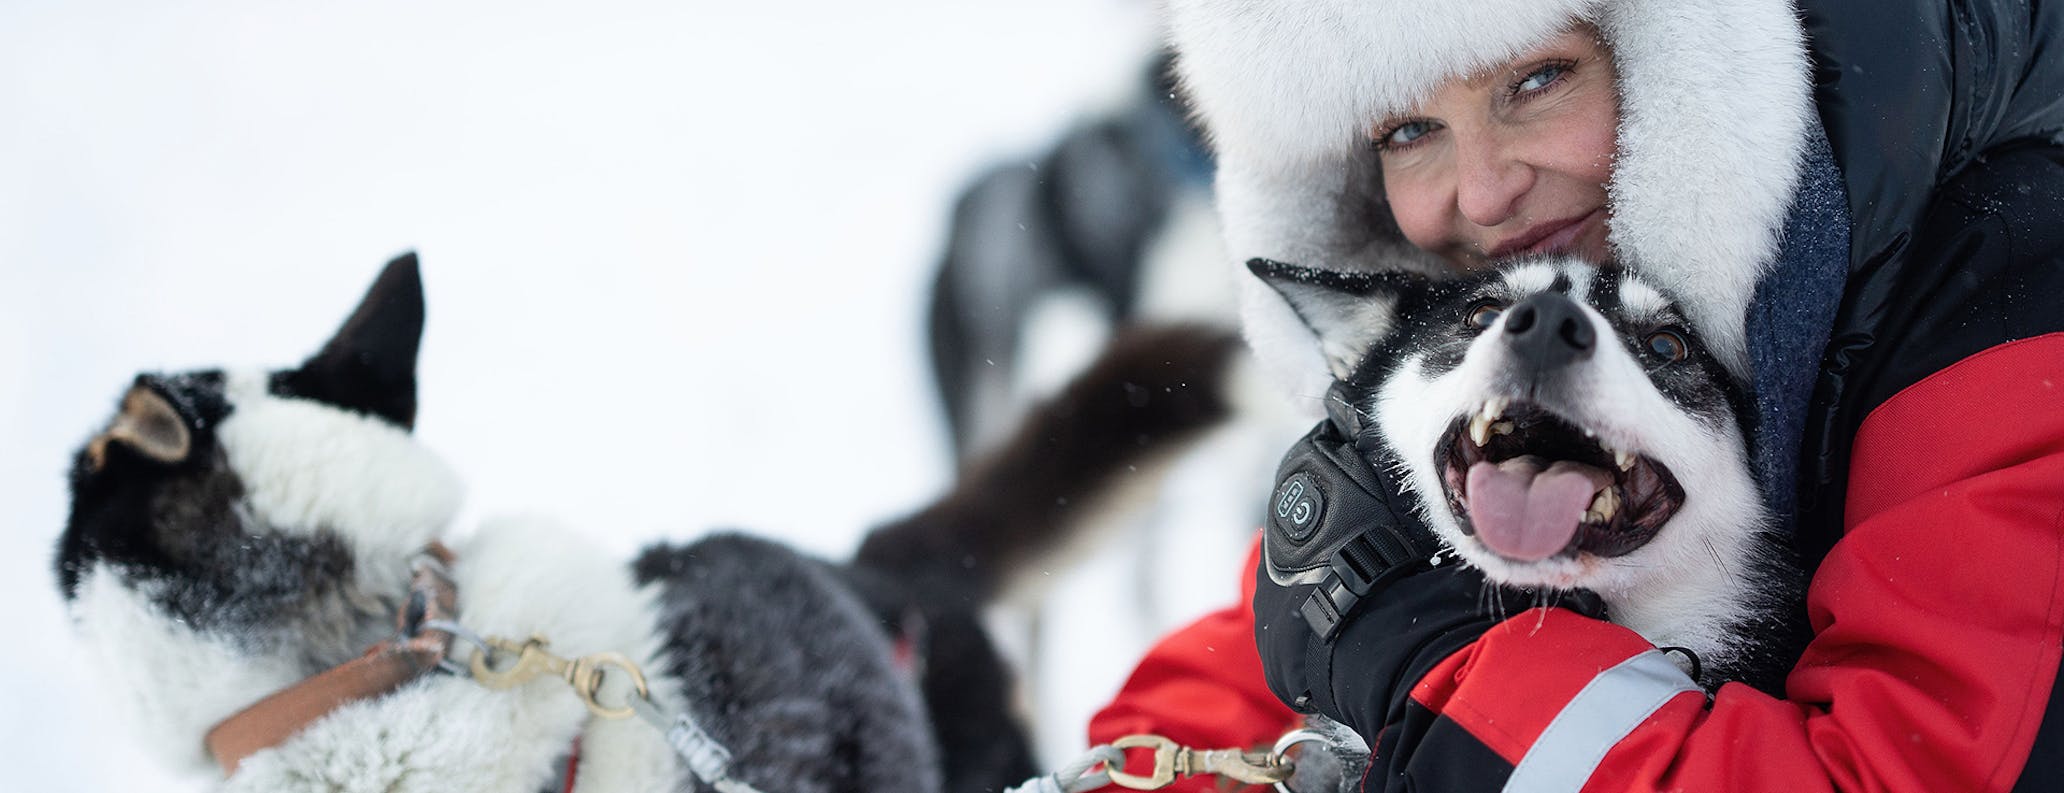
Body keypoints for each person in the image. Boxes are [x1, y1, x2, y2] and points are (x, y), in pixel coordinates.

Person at [1085, 0, 2064, 790]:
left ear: (1669, 57)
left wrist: (1435, 669)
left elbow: (1904, 768)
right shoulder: (1526, 377)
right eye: (1410, 129)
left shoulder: (2007, 283)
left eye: (1537, 80)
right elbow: (1217, 701)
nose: (1481, 193)